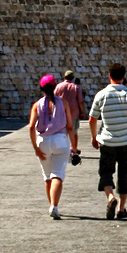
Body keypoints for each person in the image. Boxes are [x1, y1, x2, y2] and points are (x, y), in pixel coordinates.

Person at [89, 62, 127, 220]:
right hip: (126, 140)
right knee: (125, 173)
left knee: (106, 172)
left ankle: (110, 198)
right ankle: (121, 208)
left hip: (107, 141)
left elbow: (92, 119)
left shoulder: (101, 95)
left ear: (109, 76)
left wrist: (94, 137)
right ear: (124, 76)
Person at [29, 74, 77, 220]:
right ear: (55, 86)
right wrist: (74, 146)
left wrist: (36, 149)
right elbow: (69, 126)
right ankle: (54, 206)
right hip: (60, 140)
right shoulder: (63, 103)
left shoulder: (36, 105)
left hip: (43, 141)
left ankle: (51, 205)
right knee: (58, 175)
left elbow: (31, 127)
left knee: (47, 176)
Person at [55, 70, 85, 160]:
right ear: (73, 77)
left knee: (62, 133)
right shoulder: (76, 87)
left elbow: (54, 99)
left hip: (61, 114)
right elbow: (80, 101)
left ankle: (63, 150)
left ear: (64, 77)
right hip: (73, 113)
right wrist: (83, 112)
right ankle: (74, 149)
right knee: (74, 132)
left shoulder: (58, 87)